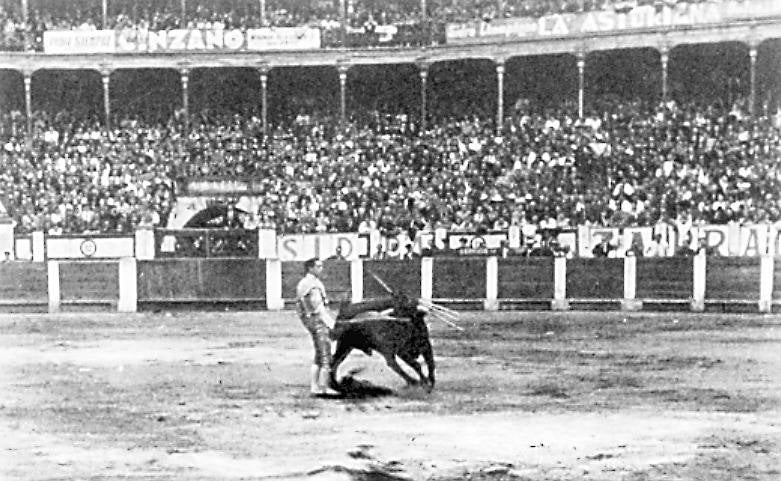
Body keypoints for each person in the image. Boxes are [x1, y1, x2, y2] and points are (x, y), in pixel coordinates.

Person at [295, 258, 340, 397]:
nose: (321, 269)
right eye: (318, 266)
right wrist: (332, 324)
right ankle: (325, 387)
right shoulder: (312, 285)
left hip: (311, 322)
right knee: (326, 355)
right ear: (310, 268)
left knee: (318, 356)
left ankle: (315, 386)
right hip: (319, 322)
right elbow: (319, 309)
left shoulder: (305, 283)